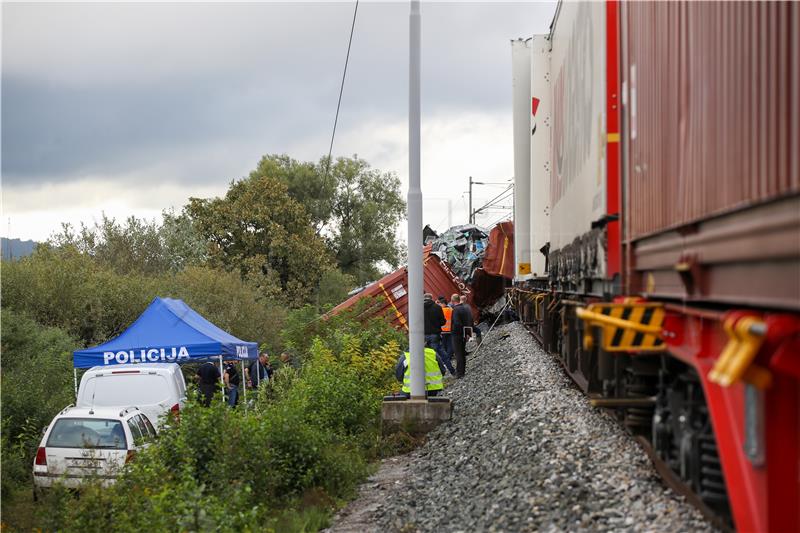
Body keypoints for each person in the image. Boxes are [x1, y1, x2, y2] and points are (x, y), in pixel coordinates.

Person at [451, 294, 474, 378]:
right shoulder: (466, 308)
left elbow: (457, 323)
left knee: (458, 353)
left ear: (453, 301)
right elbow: (470, 320)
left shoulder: (455, 310)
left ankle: (459, 373)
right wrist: (468, 333)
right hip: (465, 333)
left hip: (457, 334)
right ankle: (462, 371)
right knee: (462, 352)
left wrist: (455, 331)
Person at [423, 293, 447, 369]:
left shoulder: (418, 309)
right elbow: (443, 322)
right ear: (431, 298)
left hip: (424, 335)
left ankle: (435, 369)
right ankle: (451, 370)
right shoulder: (437, 307)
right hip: (435, 334)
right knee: (440, 352)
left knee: (430, 354)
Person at [438, 295, 456, 375]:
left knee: (443, 347)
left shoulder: (440, 310)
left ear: (442, 303)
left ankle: (446, 360)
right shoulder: (450, 309)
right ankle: (448, 359)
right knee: (450, 346)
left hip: (442, 332)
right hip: (450, 330)